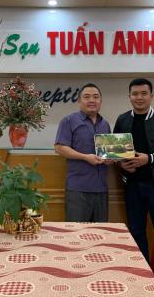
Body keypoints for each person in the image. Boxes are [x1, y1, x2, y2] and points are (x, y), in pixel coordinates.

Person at [113, 78, 154, 261]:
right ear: (129, 97)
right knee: (135, 230)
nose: (139, 97)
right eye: (135, 94)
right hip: (132, 186)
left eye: (144, 93)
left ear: (151, 96)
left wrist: (149, 159)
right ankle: (142, 269)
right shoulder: (123, 120)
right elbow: (114, 153)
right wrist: (120, 164)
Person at [54, 83, 113, 222]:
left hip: (101, 189)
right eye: (86, 97)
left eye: (96, 97)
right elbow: (59, 147)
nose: (92, 100)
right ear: (79, 101)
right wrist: (85, 157)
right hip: (78, 190)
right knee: (76, 235)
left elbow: (107, 153)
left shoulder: (105, 124)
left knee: (100, 235)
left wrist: (111, 159)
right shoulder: (68, 121)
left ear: (101, 101)